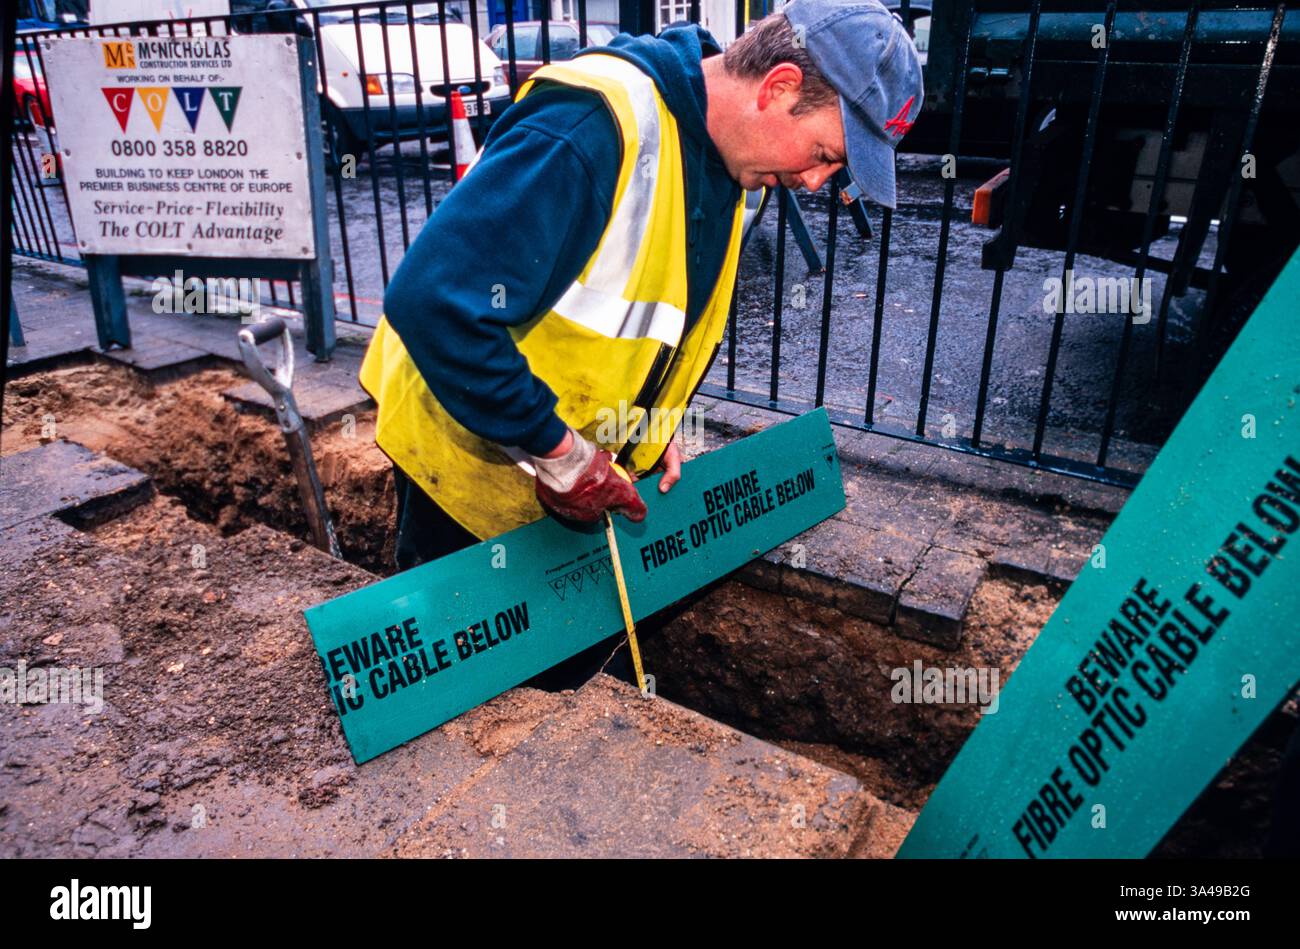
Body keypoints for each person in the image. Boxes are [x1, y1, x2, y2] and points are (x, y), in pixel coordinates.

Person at [361, 0, 924, 689]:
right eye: (825, 154)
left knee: (548, 692)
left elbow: (633, 318)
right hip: (465, 474)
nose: (815, 182)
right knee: (460, 703)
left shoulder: (725, 159)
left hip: (559, 476)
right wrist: (561, 453)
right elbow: (434, 302)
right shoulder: (593, 128)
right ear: (777, 88)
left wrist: (647, 420)